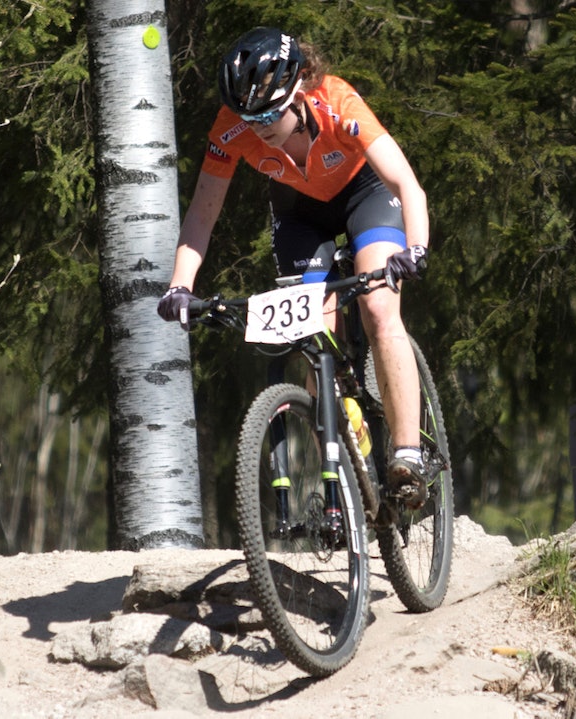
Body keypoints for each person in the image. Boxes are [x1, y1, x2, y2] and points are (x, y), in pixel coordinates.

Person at [157, 26, 431, 507]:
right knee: (313, 336)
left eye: (269, 113)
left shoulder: (338, 101)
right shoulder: (230, 127)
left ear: (299, 90)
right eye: (249, 115)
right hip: (298, 214)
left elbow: (409, 186)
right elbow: (202, 212)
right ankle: (352, 447)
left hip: (366, 196)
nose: (258, 125)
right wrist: (180, 286)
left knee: (378, 306)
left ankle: (408, 454)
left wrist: (416, 250)